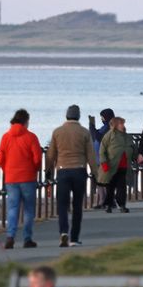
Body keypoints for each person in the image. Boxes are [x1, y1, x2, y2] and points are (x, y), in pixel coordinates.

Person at [46, 105, 96, 248]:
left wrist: (47, 170)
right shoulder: (85, 132)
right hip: (79, 170)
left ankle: (63, 232)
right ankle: (74, 238)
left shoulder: (57, 132)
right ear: (78, 116)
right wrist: (96, 173)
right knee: (77, 205)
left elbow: (51, 154)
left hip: (62, 171)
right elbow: (91, 155)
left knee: (62, 204)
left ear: (66, 116)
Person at [0, 109, 42, 249]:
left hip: (11, 178)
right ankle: (27, 238)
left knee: (12, 208)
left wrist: (6, 169)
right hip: (28, 177)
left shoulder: (6, 137)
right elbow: (37, 158)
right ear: (26, 121)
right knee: (28, 209)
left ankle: (10, 236)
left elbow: (0, 158)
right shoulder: (31, 137)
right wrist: (34, 170)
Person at [97, 117, 136, 213]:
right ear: (115, 125)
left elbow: (133, 148)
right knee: (110, 187)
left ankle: (122, 205)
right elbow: (102, 151)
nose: (123, 125)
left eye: (123, 123)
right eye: (121, 124)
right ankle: (109, 205)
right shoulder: (109, 136)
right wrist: (104, 163)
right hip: (111, 166)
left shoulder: (127, 136)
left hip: (124, 166)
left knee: (122, 187)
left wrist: (137, 156)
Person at [89, 109, 115, 209]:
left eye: (102, 117)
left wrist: (91, 126)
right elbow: (95, 136)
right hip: (99, 158)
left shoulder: (109, 127)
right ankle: (103, 200)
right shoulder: (105, 127)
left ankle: (107, 201)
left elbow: (98, 137)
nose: (102, 119)